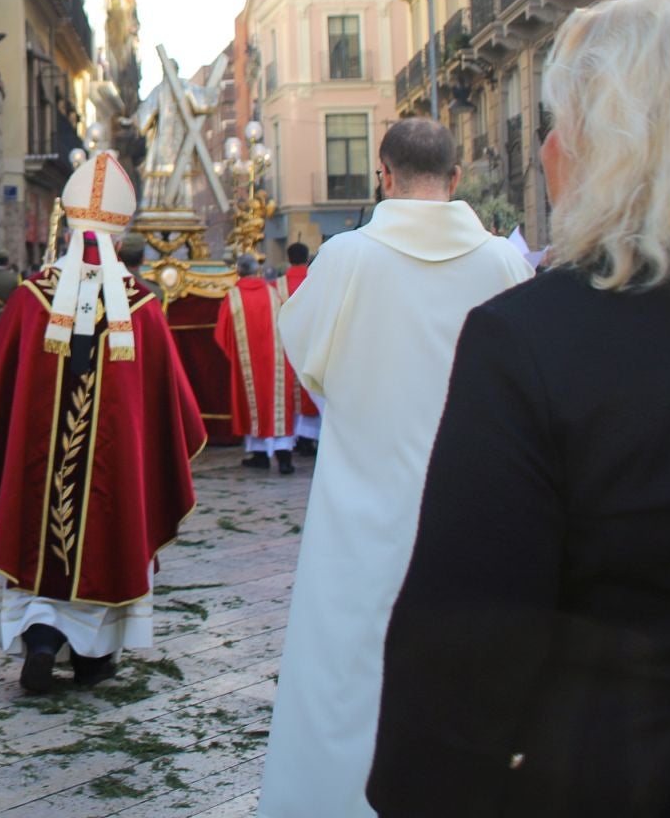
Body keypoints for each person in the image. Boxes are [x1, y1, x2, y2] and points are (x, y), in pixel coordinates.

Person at [370, 0, 670, 815]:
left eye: (560, 123)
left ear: (612, 148)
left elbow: (460, 666)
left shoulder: (529, 342)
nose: (546, 150)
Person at [257, 119, 530, 818]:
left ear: (384, 174)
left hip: (361, 503)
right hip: (472, 509)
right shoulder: (502, 262)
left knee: (348, 670)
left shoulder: (347, 259)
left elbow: (307, 356)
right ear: (457, 177)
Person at [0, 153, 206, 693]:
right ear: (120, 237)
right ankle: (94, 657)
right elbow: (175, 415)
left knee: (36, 538)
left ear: (67, 226)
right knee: (110, 534)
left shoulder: (30, 301)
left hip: (36, 488)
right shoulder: (142, 310)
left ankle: (42, 637)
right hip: (113, 483)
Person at [217, 254, 296, 473]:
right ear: (256, 271)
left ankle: (260, 455)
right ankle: (285, 458)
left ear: (238, 271)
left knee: (253, 406)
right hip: (277, 361)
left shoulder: (232, 297)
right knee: (278, 405)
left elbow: (221, 335)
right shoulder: (274, 294)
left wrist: (237, 356)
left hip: (246, 364)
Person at [280, 242, 320, 454]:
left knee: (289, 390)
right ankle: (311, 436)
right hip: (315, 343)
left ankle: (292, 436)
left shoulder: (277, 286)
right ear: (307, 258)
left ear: (288, 258)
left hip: (286, 348)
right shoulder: (318, 280)